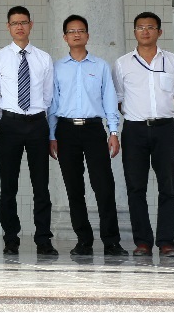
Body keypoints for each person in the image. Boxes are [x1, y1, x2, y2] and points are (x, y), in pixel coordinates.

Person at [48, 15, 128, 257]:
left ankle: (111, 241)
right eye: (71, 31)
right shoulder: (57, 68)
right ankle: (84, 240)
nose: (76, 34)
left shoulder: (100, 66)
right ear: (65, 37)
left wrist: (113, 132)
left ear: (87, 35)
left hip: (94, 129)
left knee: (104, 186)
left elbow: (109, 100)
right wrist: (51, 135)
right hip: (66, 130)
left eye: (80, 30)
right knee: (74, 188)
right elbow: (53, 104)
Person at [113, 11, 174, 258]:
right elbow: (118, 98)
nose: (145, 31)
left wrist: (164, 113)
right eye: (140, 27)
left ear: (159, 31)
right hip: (134, 130)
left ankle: (166, 242)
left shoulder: (173, 61)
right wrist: (136, 114)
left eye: (150, 27)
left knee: (168, 187)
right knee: (136, 188)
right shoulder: (123, 63)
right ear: (134, 31)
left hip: (165, 129)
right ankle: (143, 242)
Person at [0, 6, 56, 256]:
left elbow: (48, 96)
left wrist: (36, 118)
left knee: (41, 185)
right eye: (15, 23)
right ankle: (11, 238)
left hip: (37, 123)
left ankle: (43, 239)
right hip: (10, 125)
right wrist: (9, 118)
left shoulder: (43, 58)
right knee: (9, 185)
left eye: (24, 22)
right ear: (8, 27)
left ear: (31, 25)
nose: (19, 27)